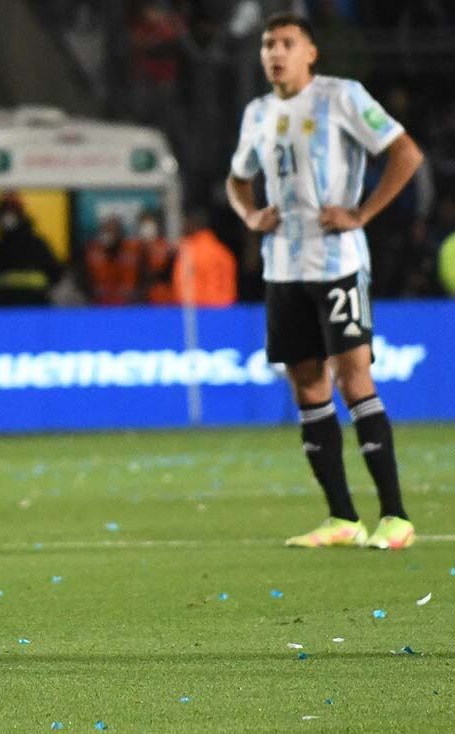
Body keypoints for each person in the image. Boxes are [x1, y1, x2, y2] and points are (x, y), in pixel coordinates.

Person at [225, 13, 424, 549]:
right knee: (307, 385)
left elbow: (405, 153)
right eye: (269, 44)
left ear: (310, 53)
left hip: (336, 262)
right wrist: (249, 217)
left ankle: (395, 516)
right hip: (283, 267)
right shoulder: (258, 113)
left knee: (353, 377)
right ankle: (342, 518)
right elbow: (238, 178)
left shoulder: (342, 97)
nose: (276, 52)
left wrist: (361, 212)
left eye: (287, 43)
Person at [171, 210, 237, 307]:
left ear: (193, 224)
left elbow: (185, 287)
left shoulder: (189, 251)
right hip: (223, 310)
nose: (182, 227)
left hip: (197, 311)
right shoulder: (223, 252)